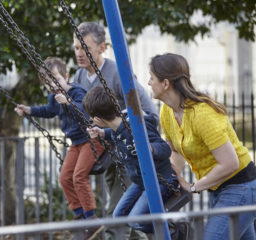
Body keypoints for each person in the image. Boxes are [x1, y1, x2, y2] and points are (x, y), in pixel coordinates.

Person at [148, 53, 256, 239]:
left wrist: (193, 187)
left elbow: (230, 163)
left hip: (241, 186)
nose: (148, 82)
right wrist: (176, 174)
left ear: (165, 83)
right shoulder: (168, 111)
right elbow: (175, 151)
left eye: (151, 77)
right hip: (219, 188)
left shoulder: (202, 114)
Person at [72, 21, 158, 240]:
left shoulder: (118, 74)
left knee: (118, 217)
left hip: (130, 153)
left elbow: (149, 113)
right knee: (128, 219)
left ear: (102, 48)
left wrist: (124, 131)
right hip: (108, 153)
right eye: (76, 48)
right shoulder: (79, 77)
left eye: (85, 48)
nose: (79, 54)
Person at [15, 57, 104, 240]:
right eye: (47, 83)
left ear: (66, 76)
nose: (52, 85)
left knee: (79, 176)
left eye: (55, 79)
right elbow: (49, 110)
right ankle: (79, 215)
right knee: (64, 177)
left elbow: (85, 112)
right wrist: (29, 110)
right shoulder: (54, 98)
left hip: (91, 139)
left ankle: (91, 219)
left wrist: (68, 103)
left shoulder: (78, 92)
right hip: (76, 143)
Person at [83, 86, 178, 234]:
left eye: (91, 117)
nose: (90, 120)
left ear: (97, 119)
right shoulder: (117, 127)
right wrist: (101, 133)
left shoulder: (137, 126)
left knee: (136, 220)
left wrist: (150, 148)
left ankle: (173, 230)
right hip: (141, 182)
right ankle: (159, 232)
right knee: (118, 216)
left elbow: (165, 149)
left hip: (161, 180)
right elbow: (117, 133)